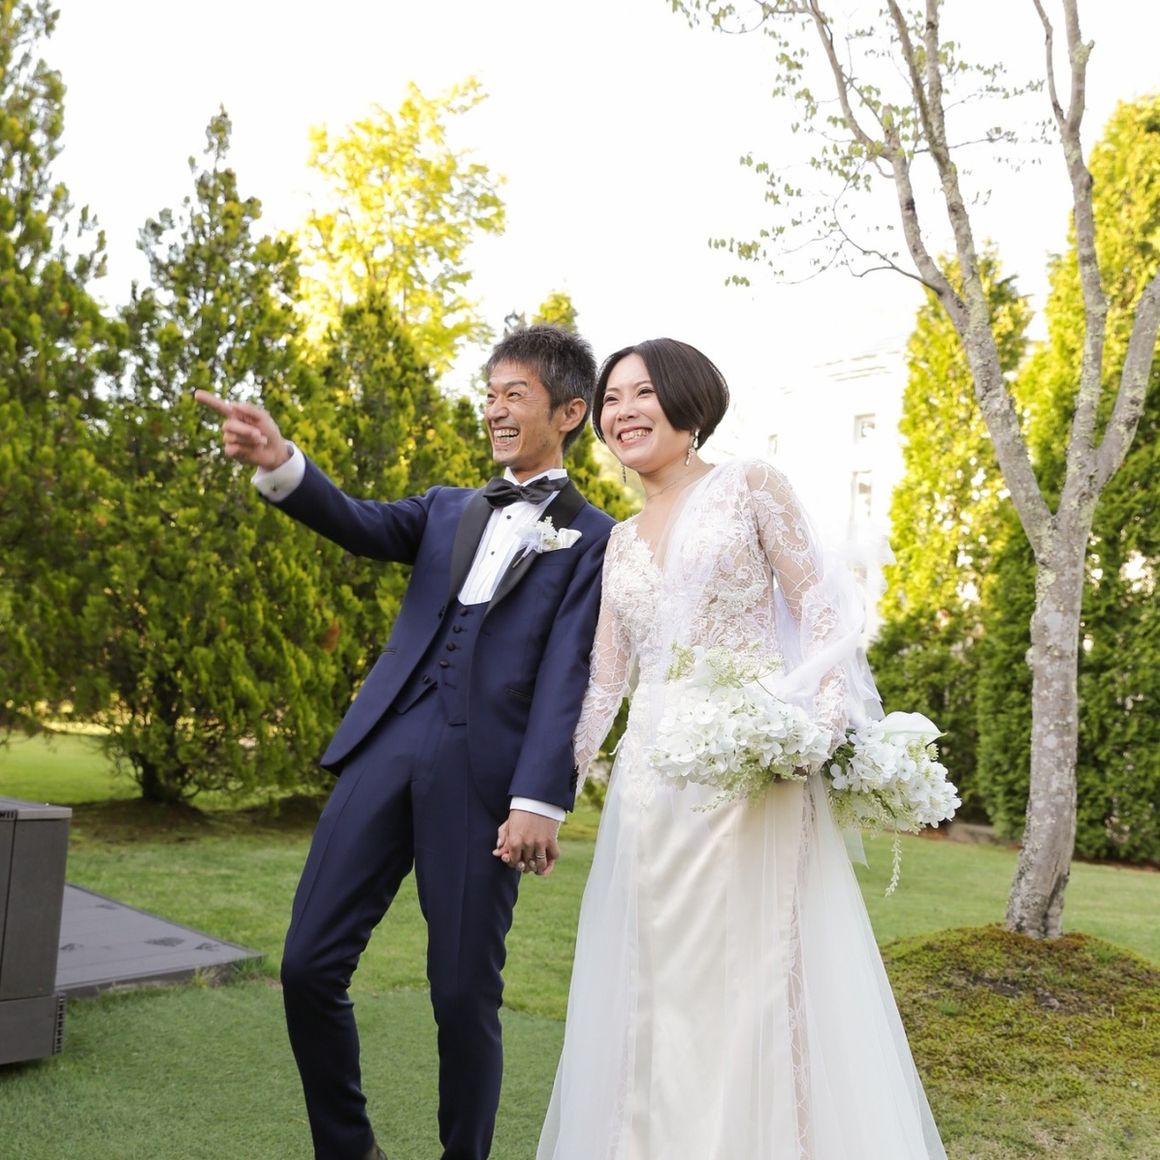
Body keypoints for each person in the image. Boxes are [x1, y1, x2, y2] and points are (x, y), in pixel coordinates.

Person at [196, 324, 615, 1160]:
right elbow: (355, 521)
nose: (495, 410)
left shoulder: (598, 537)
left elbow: (569, 674)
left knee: (462, 995)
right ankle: (348, 1150)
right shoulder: (446, 507)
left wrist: (539, 798)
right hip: (383, 745)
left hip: (485, 778)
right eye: (490, 394)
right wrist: (282, 462)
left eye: (516, 395)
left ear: (569, 412)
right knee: (309, 965)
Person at [534, 339, 947, 1159]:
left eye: (642, 392)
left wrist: (819, 727)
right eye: (611, 399)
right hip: (652, 795)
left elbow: (820, 606)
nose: (623, 411)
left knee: (755, 981)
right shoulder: (619, 542)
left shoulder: (751, 484)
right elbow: (605, 684)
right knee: (659, 988)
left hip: (755, 775)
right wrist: (550, 793)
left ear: (688, 403)